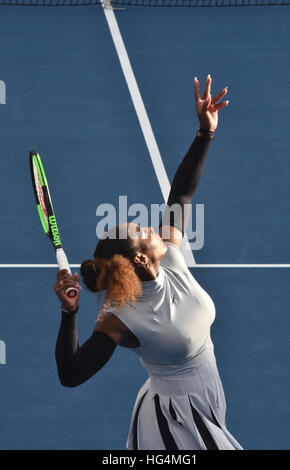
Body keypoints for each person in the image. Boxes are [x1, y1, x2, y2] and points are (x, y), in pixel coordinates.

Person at [54, 75, 243, 450]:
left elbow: (182, 194)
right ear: (141, 257)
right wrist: (69, 314)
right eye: (142, 229)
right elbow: (72, 374)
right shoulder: (120, 317)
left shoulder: (169, 255)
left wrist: (205, 133)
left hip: (207, 399)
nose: (151, 226)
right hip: (175, 419)